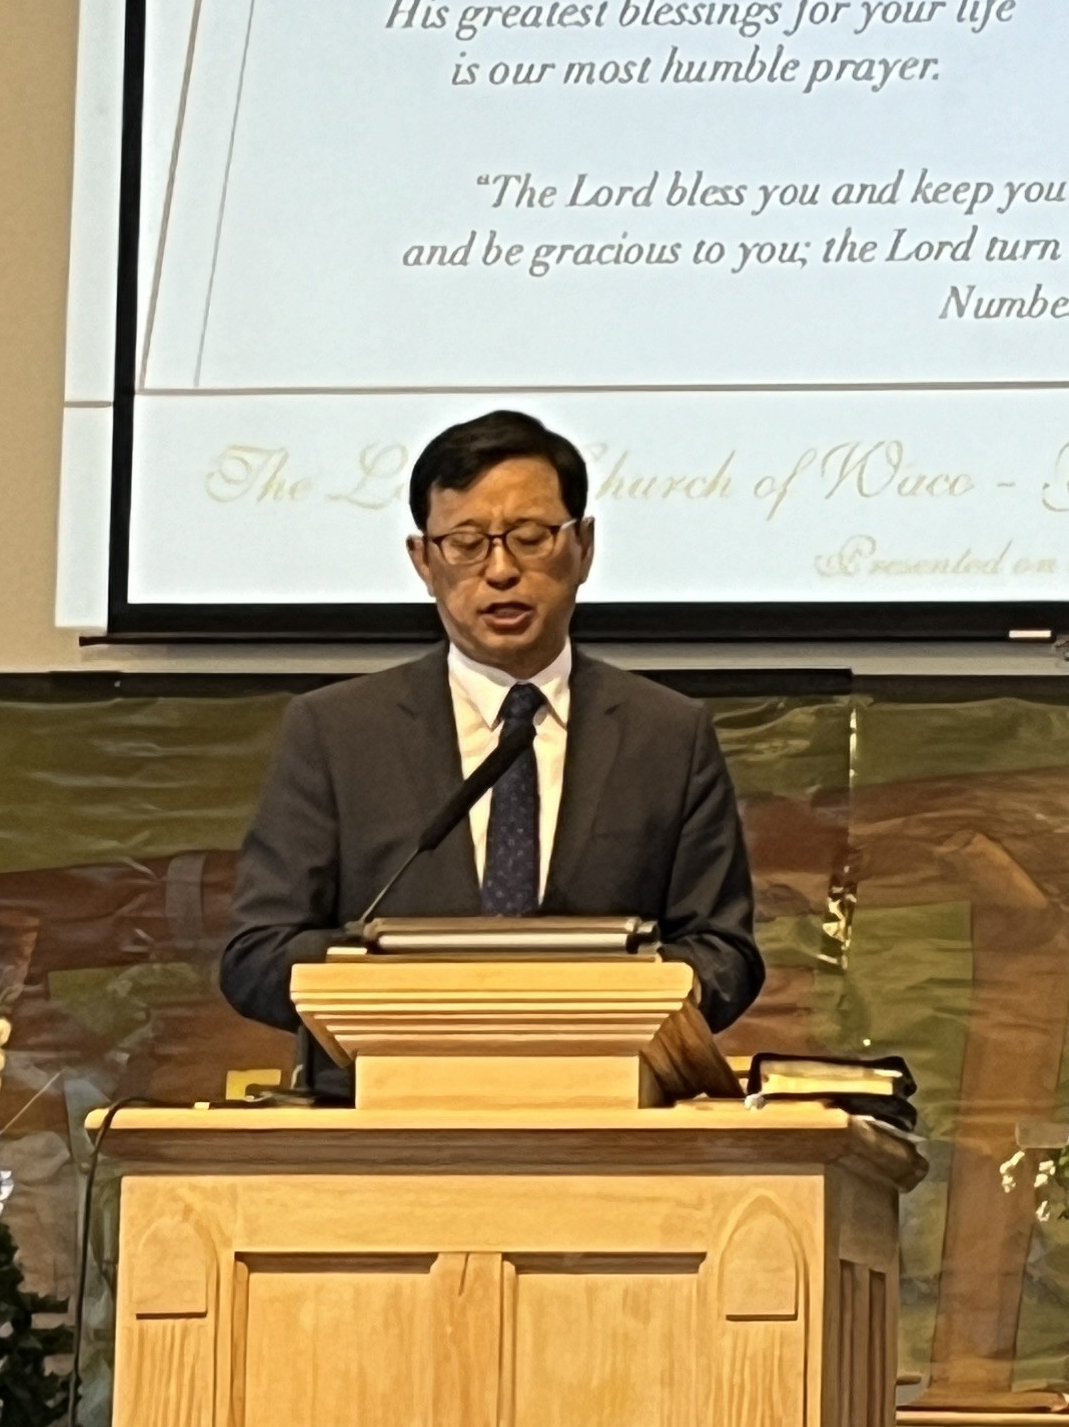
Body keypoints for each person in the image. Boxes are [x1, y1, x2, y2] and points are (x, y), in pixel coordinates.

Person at [220, 408, 762, 1092]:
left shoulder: (667, 734)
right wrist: (409, 981)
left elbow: (724, 952)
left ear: (584, 546)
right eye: (467, 544)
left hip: (607, 1113)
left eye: (531, 538)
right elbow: (256, 953)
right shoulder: (335, 733)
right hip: (384, 1117)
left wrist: (612, 999)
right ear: (423, 561)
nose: (501, 570)